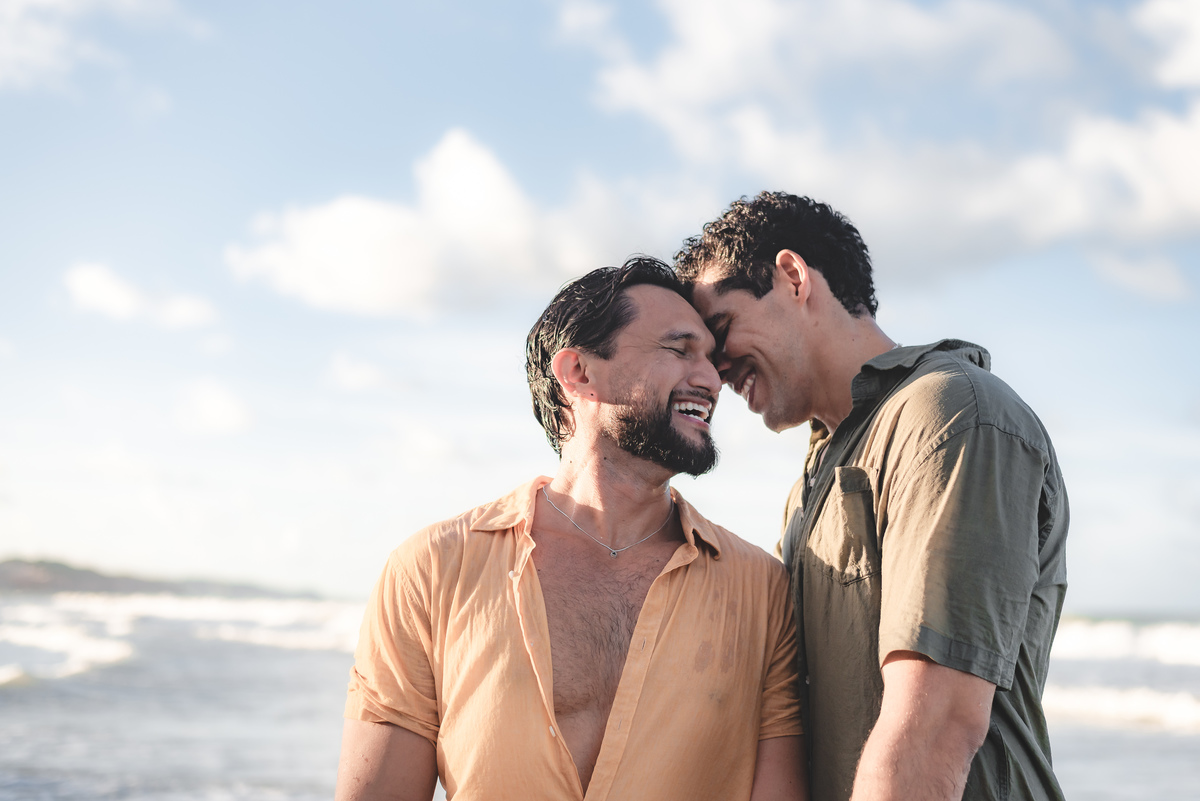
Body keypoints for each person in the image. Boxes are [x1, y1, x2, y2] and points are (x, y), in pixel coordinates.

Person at [335, 257, 807, 801]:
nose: (710, 379)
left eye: (711, 359)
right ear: (579, 373)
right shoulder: (433, 570)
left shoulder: (762, 591)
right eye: (679, 350)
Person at [673, 193, 1069, 801]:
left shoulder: (949, 413)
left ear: (793, 277)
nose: (715, 368)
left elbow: (936, 724)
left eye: (721, 330)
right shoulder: (819, 470)